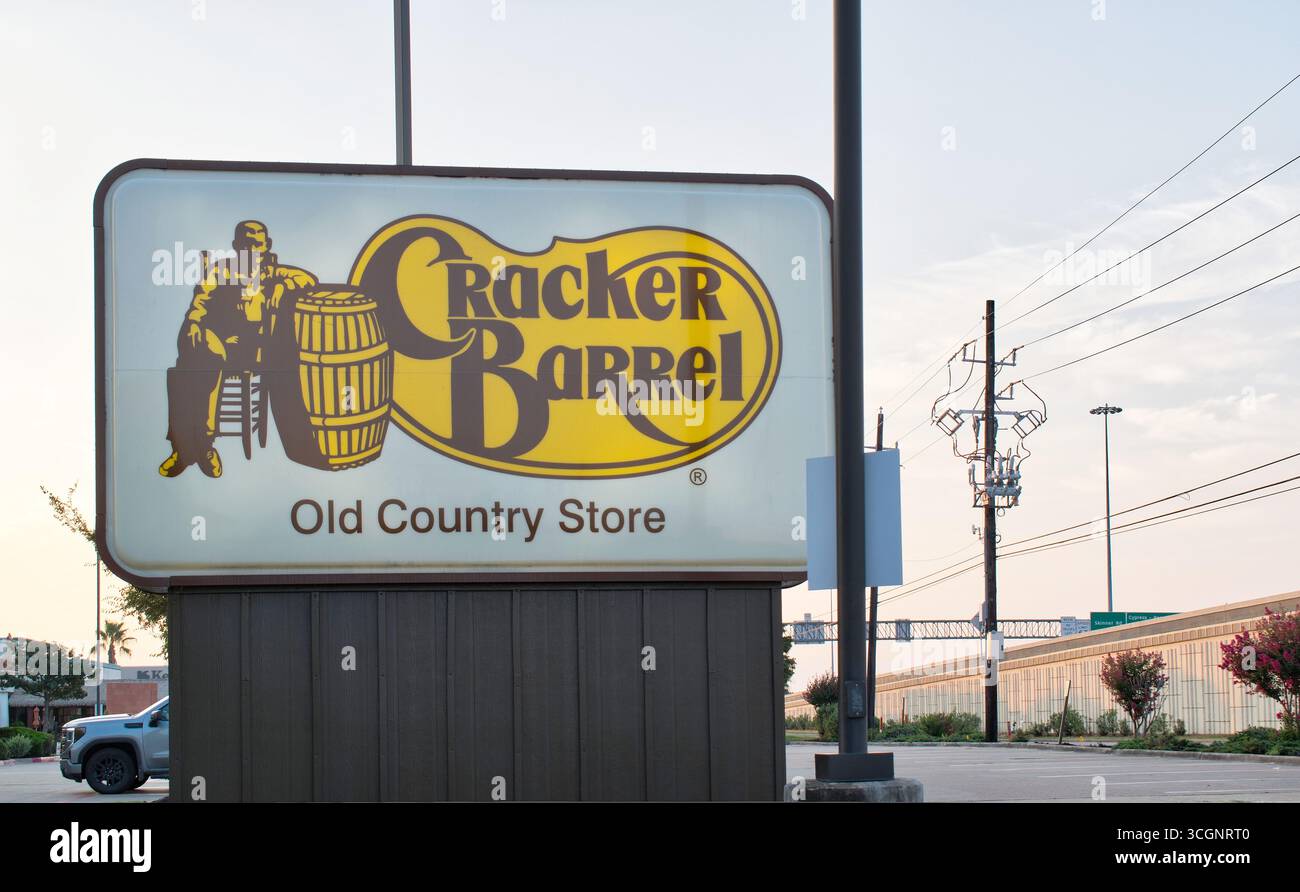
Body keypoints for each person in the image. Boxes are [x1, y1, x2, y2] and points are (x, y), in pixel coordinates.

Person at [158, 221, 317, 478]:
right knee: (184, 366)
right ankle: (189, 447)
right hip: (219, 344)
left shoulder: (275, 273)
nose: (252, 249)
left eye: (257, 243)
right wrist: (195, 324)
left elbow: (309, 279)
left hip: (254, 351)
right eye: (246, 243)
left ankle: (196, 447)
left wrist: (281, 286)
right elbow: (200, 301)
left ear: (267, 246)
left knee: (195, 364)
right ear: (236, 246)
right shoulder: (222, 271)